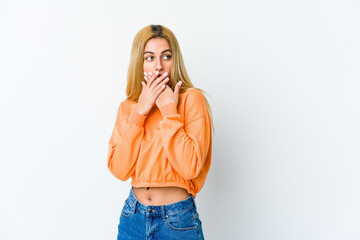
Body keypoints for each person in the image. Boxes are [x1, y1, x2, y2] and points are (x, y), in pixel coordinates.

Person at [107, 24, 214, 240]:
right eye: (149, 58)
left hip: (177, 221)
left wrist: (168, 110)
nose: (158, 66)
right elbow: (119, 170)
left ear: (175, 61)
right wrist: (139, 112)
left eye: (166, 56)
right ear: (140, 62)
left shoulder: (191, 100)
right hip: (132, 218)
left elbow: (190, 167)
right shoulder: (128, 108)